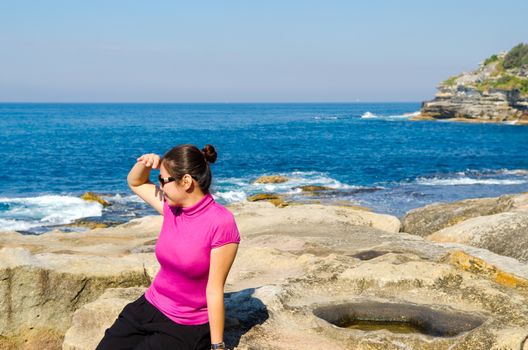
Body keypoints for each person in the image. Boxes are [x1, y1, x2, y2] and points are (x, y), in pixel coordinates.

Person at [96, 144, 240, 350]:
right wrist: (145, 163)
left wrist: (218, 346)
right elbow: (135, 182)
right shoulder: (172, 208)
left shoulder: (220, 222)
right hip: (149, 306)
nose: (160, 187)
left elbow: (215, 289)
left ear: (187, 181)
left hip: (185, 325)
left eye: (163, 180)